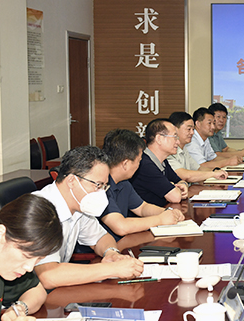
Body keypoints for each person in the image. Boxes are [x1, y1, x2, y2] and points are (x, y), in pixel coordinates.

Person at [33, 146, 144, 290]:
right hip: (31, 294)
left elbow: (101, 238)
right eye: (98, 185)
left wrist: (111, 253)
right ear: (72, 181)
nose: (101, 193)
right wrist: (112, 269)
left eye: (104, 186)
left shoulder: (78, 205)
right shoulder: (40, 210)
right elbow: (49, 276)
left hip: (59, 288)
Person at [100, 128, 185, 241]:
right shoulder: (100, 186)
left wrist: (168, 212)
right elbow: (121, 226)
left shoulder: (124, 183)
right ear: (125, 164)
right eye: (139, 161)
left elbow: (142, 208)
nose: (139, 165)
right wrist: (160, 220)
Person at [130, 118, 190, 207]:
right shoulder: (145, 164)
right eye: (175, 137)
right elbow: (175, 197)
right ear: (159, 139)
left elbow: (179, 180)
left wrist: (183, 184)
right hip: (146, 215)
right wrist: (174, 186)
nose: (178, 142)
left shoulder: (162, 160)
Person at [167, 111, 231, 184]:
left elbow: (198, 168)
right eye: (189, 129)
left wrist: (216, 172)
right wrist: (213, 174)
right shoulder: (169, 151)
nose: (192, 133)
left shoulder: (184, 148)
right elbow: (185, 175)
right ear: (175, 129)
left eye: (193, 129)